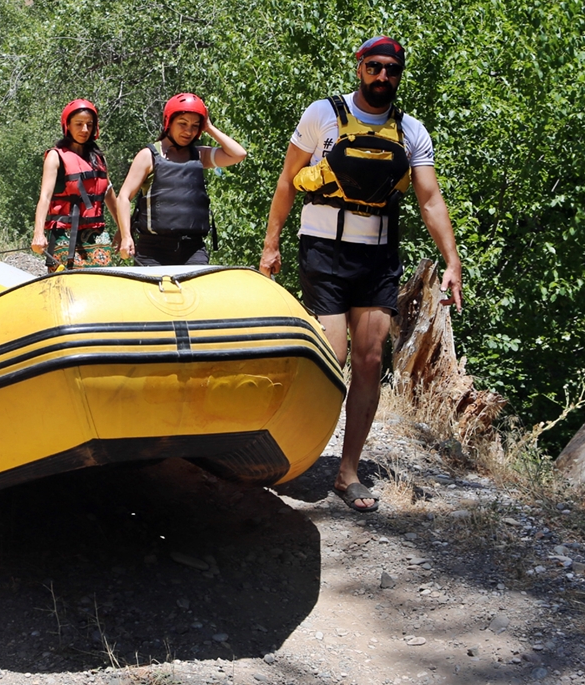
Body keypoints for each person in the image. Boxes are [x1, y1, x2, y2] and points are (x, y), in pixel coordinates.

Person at [259, 37, 464, 513]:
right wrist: (272, 246)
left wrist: (451, 261)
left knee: (370, 360)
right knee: (330, 359)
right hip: (324, 251)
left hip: (376, 257)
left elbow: (429, 199)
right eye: (374, 67)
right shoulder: (322, 114)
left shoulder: (411, 131)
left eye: (392, 69)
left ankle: (347, 472)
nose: (382, 77)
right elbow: (288, 180)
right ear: (360, 69)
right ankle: (291, 452)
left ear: (399, 74)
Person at [114, 93, 247, 266]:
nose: (188, 131)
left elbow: (238, 154)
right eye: (182, 124)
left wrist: (208, 127)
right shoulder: (149, 156)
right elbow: (123, 197)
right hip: (153, 250)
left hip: (193, 248)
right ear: (169, 122)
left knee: (198, 293)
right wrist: (126, 236)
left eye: (195, 126)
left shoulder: (199, 155)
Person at [31, 99, 123, 272]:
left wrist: (124, 230)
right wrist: (38, 233)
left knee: (102, 284)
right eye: (79, 124)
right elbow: (45, 197)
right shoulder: (55, 156)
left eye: (89, 124)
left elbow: (109, 194)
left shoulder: (99, 158)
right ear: (68, 126)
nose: (84, 130)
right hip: (64, 236)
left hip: (96, 235)